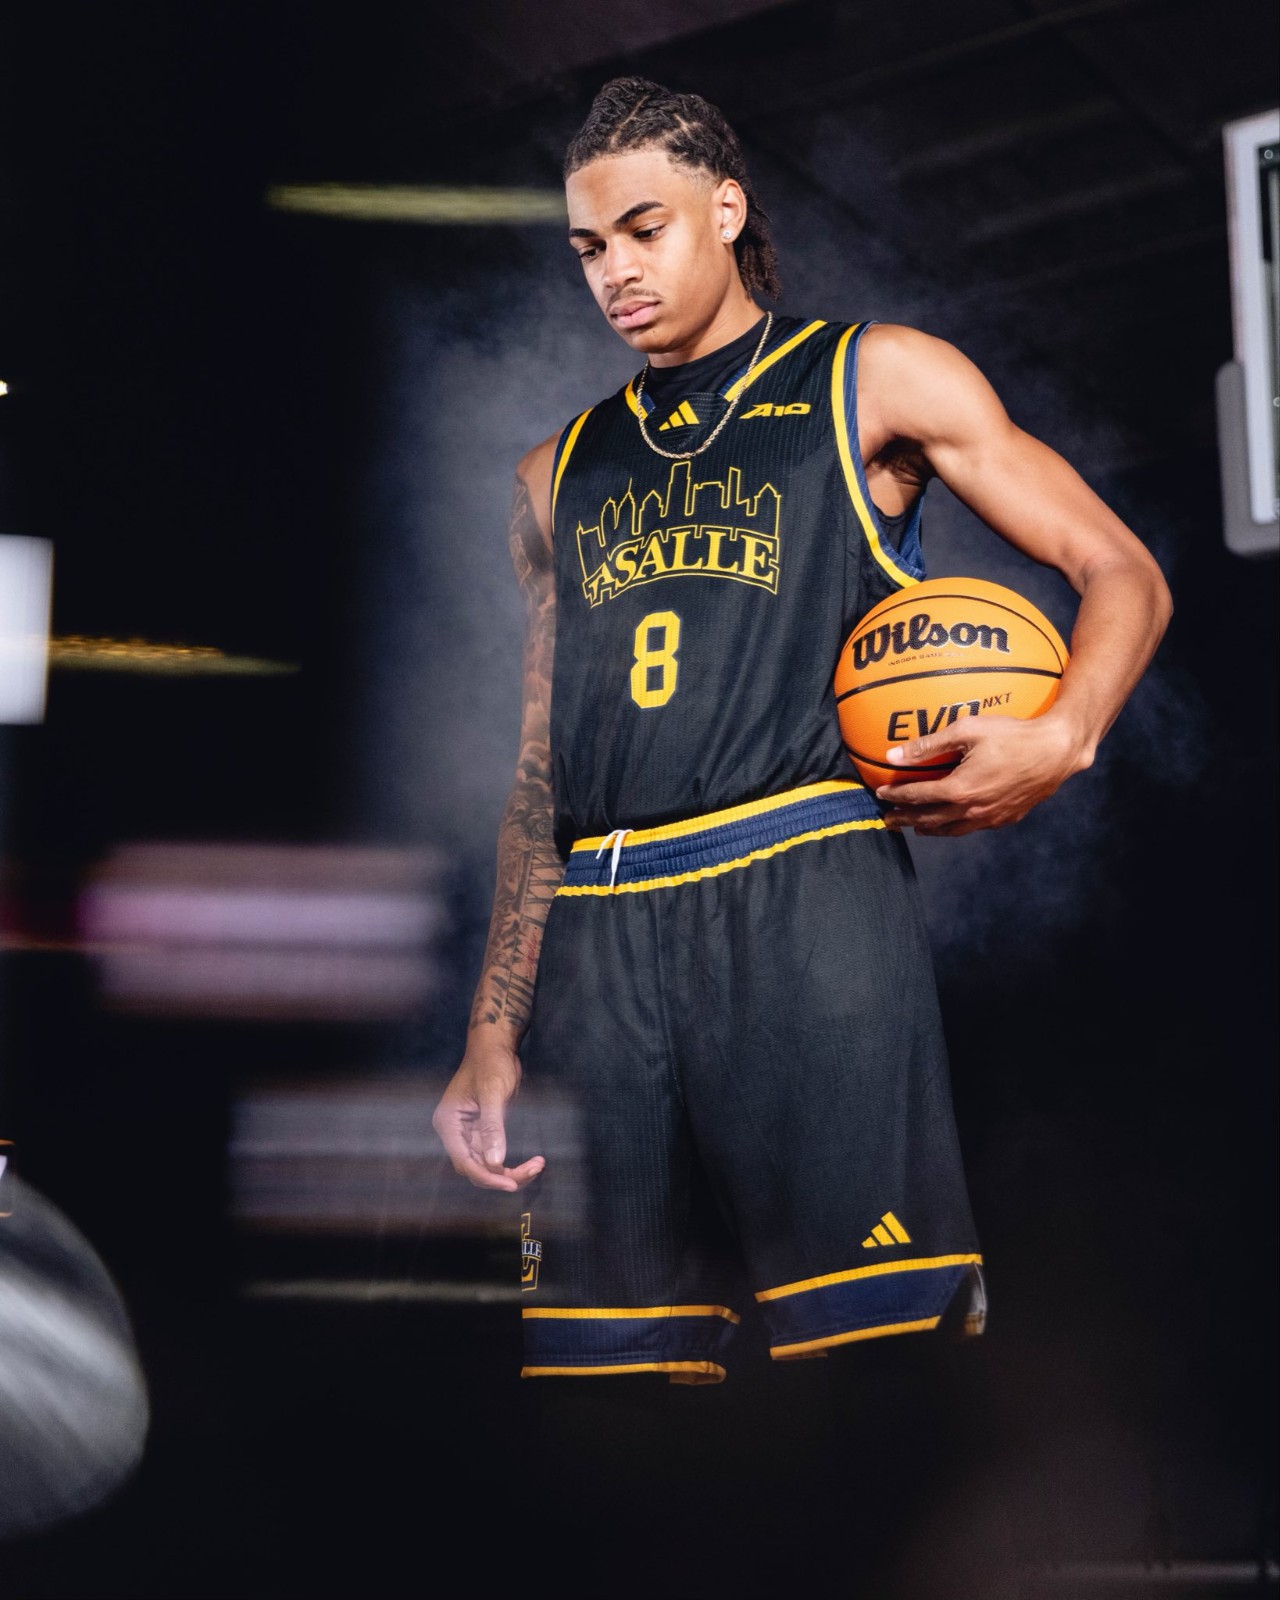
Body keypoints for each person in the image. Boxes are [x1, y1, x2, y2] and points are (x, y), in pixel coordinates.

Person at [431, 77, 1171, 1387]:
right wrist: (492, 1031)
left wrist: (1067, 733)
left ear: (726, 210)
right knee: (607, 1396)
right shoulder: (553, 477)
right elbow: (544, 768)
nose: (615, 272)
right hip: (601, 937)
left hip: (800, 886)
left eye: (645, 230)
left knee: (872, 1366)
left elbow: (1122, 571)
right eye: (590, 247)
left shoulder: (875, 378)